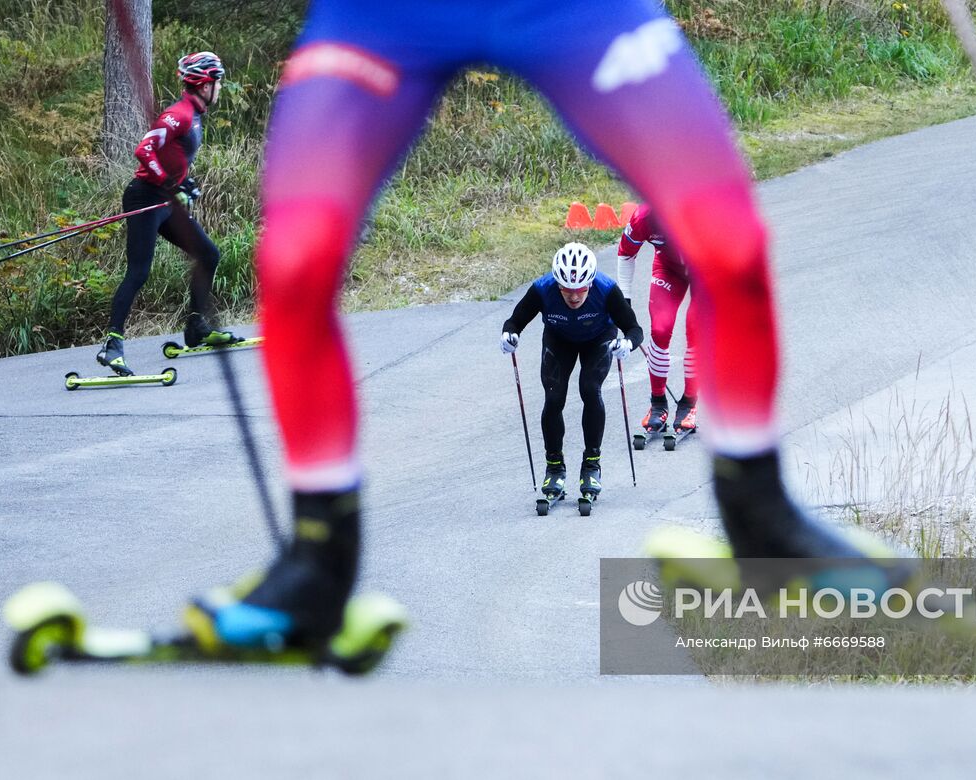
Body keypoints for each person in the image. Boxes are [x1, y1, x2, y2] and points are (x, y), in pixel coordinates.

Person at [193, 1, 913, 652]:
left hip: (575, 12)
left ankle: (762, 522)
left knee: (731, 241)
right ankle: (319, 563)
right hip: (386, 16)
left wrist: (625, 333)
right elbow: (533, 306)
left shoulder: (592, 288)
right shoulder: (546, 290)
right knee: (291, 261)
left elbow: (635, 295)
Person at [97, 51, 240, 376]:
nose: (219, 86)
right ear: (205, 84)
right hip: (145, 198)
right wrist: (167, 183)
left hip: (165, 200)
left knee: (208, 254)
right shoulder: (180, 115)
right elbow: (143, 150)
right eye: (217, 81)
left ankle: (196, 326)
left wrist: (183, 182)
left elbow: (172, 156)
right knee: (139, 272)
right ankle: (112, 345)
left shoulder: (195, 114)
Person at [500, 242, 644, 501]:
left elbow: (634, 329)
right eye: (567, 291)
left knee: (590, 389)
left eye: (580, 290)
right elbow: (515, 321)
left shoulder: (607, 289)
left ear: (590, 283)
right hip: (559, 339)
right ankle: (554, 467)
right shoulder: (543, 289)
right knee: (554, 398)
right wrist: (509, 335)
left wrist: (627, 344)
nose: (574, 297)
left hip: (598, 337)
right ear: (557, 284)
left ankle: (591, 465)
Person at [616, 202, 697, 435]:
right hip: (669, 269)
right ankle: (658, 403)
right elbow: (625, 255)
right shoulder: (643, 217)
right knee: (660, 331)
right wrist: (625, 299)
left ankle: (690, 403)